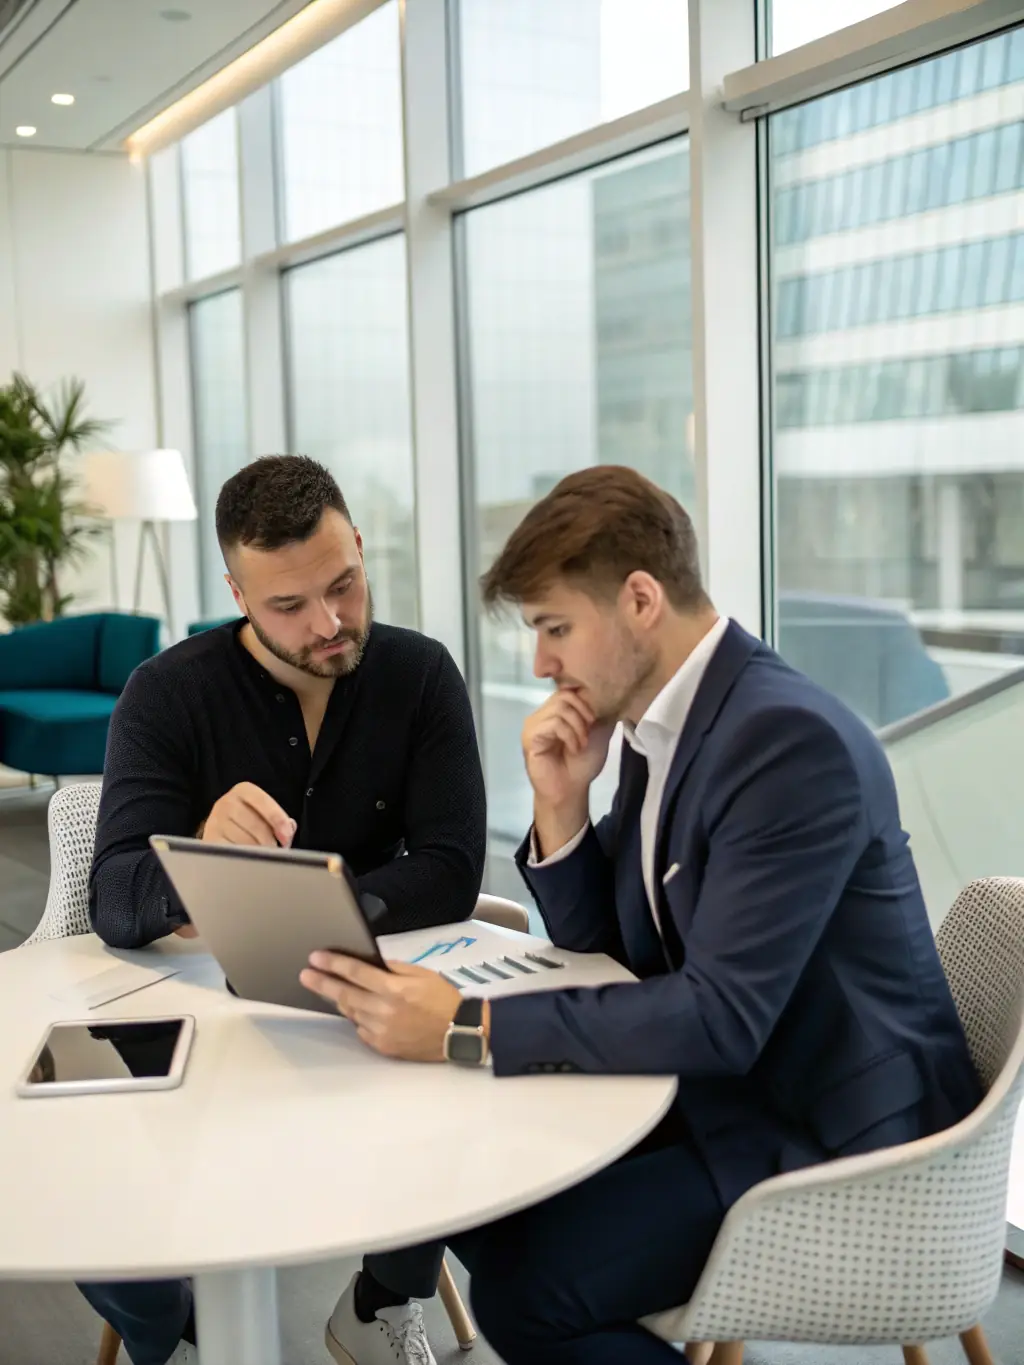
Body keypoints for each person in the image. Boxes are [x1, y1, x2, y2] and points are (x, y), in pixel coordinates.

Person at [301, 465, 982, 1365]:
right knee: (475, 1200)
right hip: (735, 1090)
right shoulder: (668, 726)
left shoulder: (785, 743)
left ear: (639, 599)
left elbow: (721, 1015)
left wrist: (465, 1024)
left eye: (554, 628)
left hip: (839, 1141)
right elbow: (614, 952)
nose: (542, 664)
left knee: (525, 1293)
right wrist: (562, 811)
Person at [81, 455, 487, 1365]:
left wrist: (322, 916)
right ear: (236, 592)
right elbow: (113, 897)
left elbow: (454, 866)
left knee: (453, 1060)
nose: (330, 622)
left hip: (366, 998)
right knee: (79, 1162)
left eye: (343, 584)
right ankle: (187, 1321)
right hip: (202, 1012)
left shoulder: (420, 675)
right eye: (288, 606)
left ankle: (382, 1298)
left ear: (357, 544)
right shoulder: (166, 693)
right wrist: (197, 870)